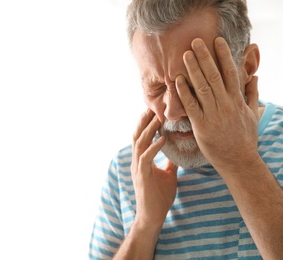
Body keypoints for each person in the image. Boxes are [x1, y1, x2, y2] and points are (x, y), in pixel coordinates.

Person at [89, 0, 283, 259]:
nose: (172, 111)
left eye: (194, 85)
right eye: (157, 88)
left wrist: (241, 163)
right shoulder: (128, 170)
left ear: (246, 66)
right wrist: (145, 223)